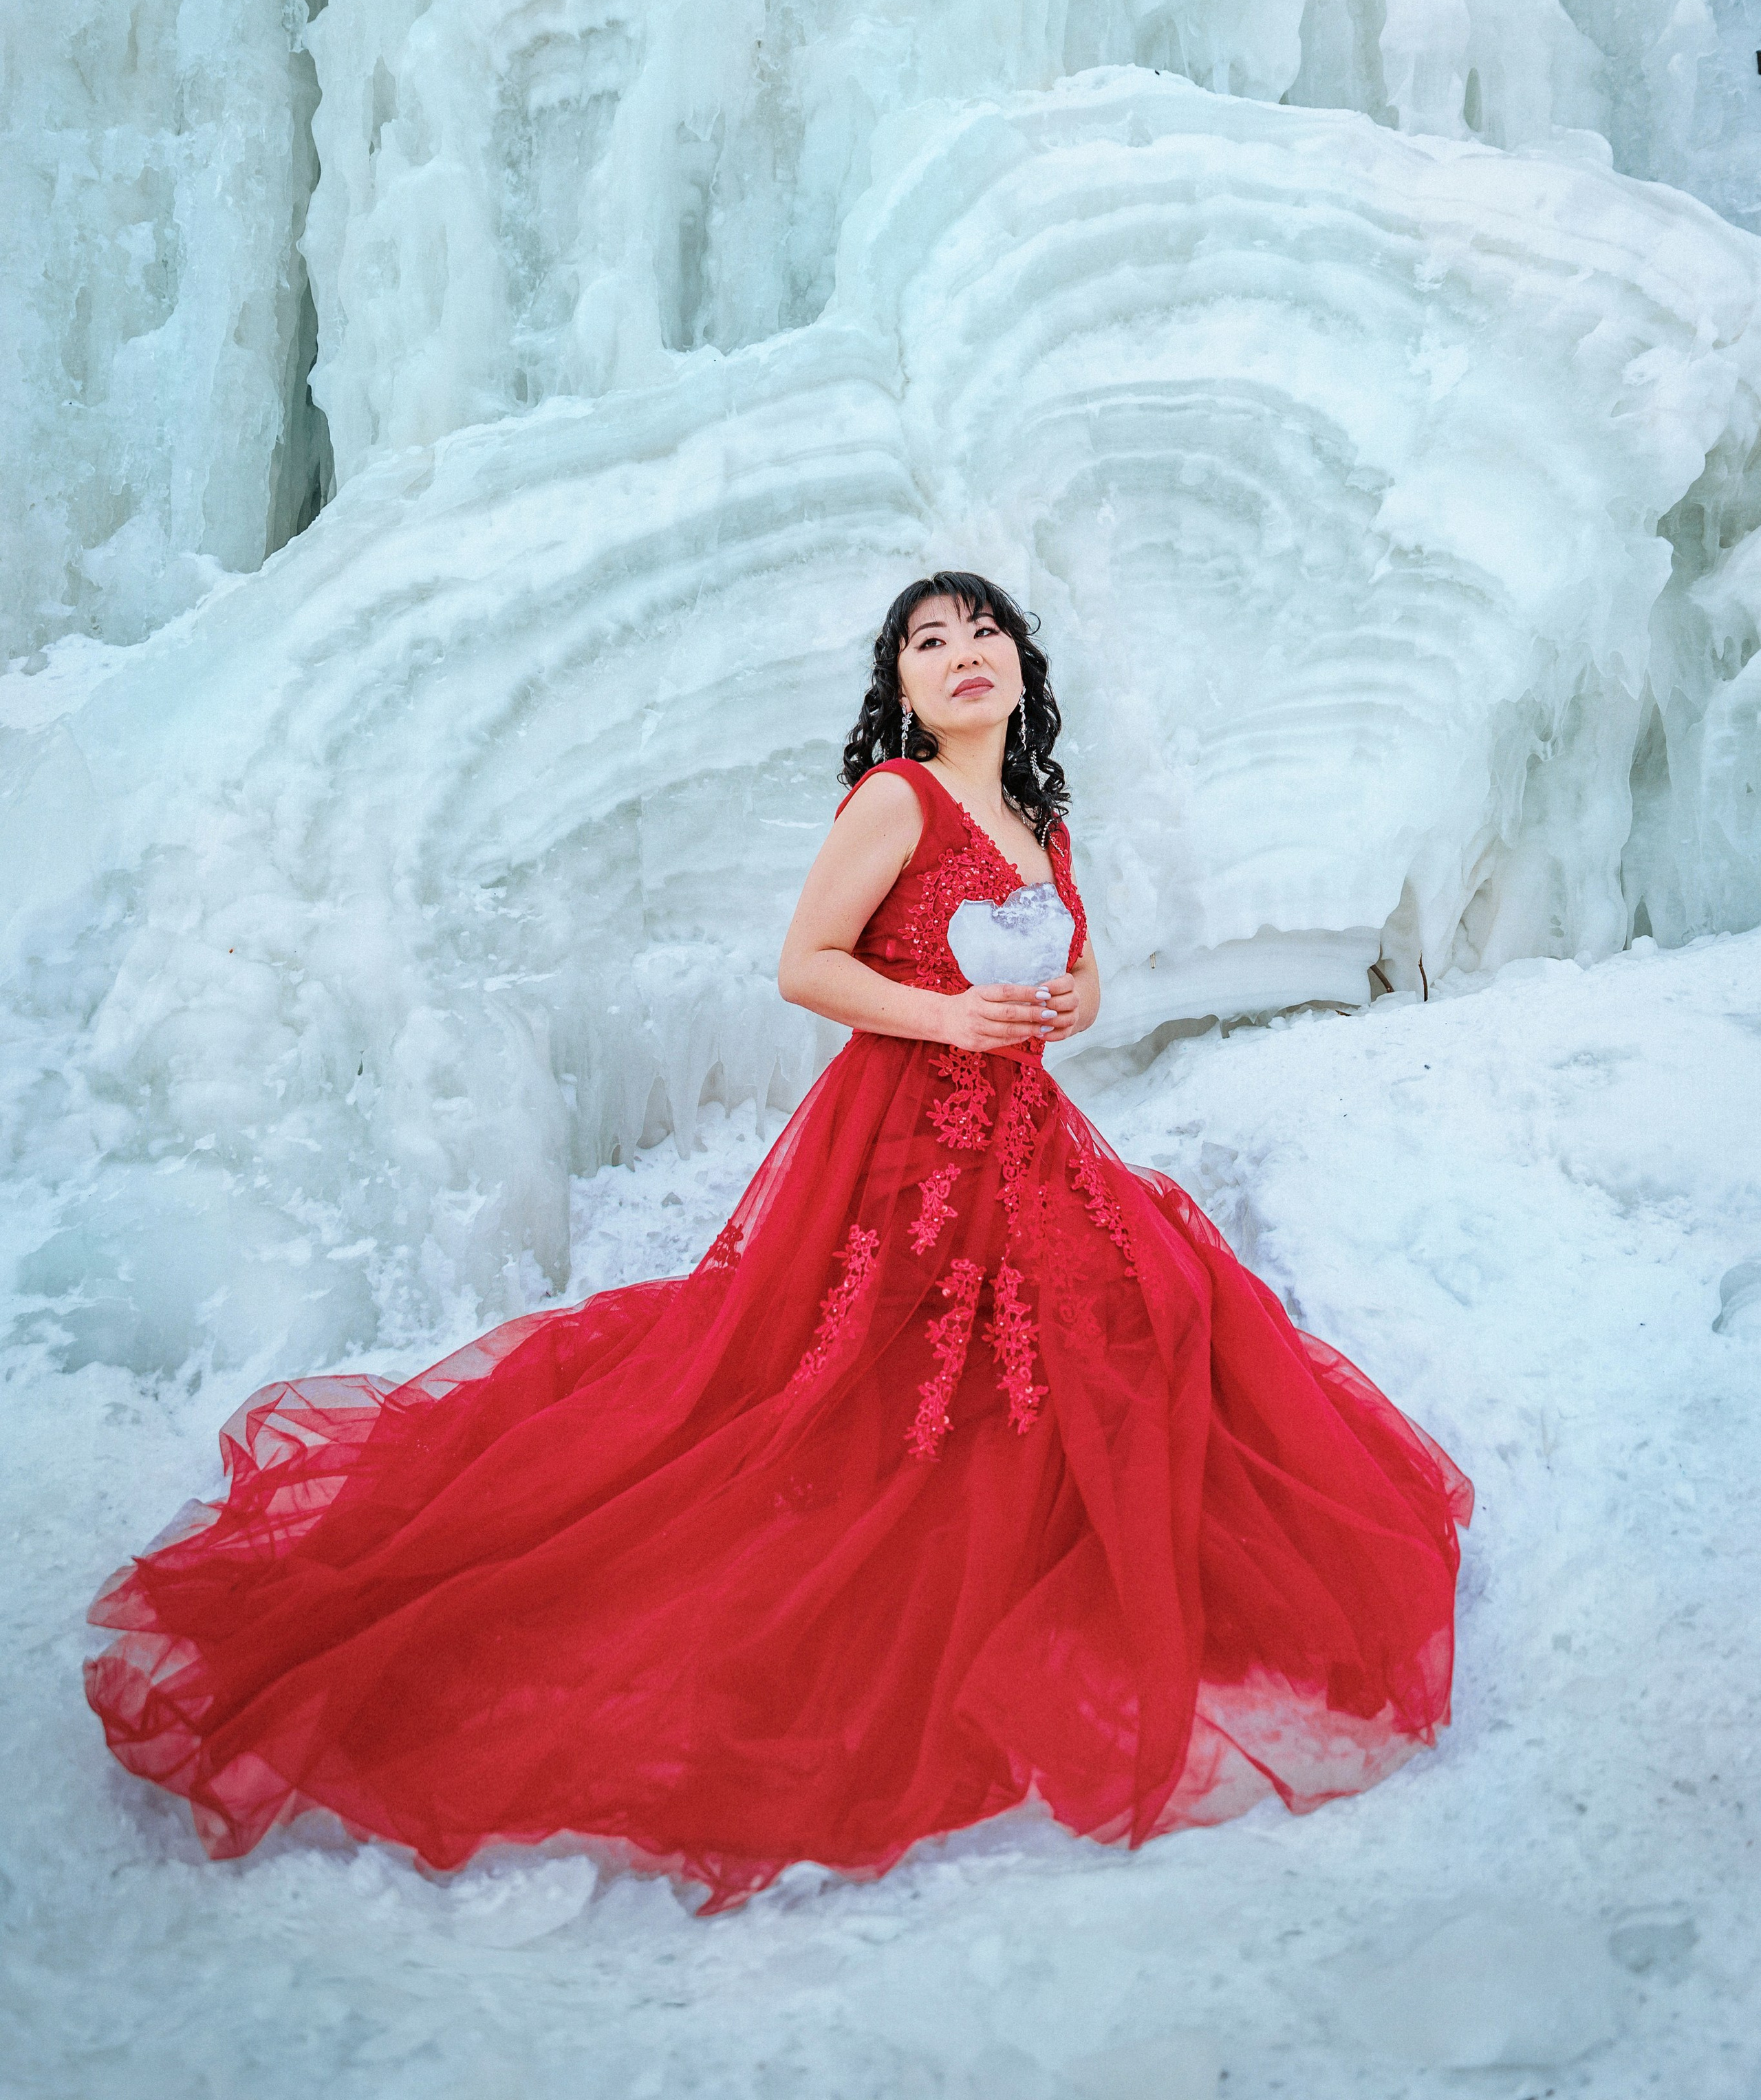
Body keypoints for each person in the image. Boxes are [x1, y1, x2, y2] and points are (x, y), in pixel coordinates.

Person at [85, 572, 1471, 1913]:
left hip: (1027, 1135)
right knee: (862, 1394)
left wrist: (1053, 1012)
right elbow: (804, 964)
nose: (960, 652)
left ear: (1021, 674)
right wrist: (945, 1020)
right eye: (927, 642)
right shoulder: (897, 800)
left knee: (1143, 1326)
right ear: (902, 689)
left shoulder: (1041, 824)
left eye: (983, 631)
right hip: (902, 1138)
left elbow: (1083, 975)